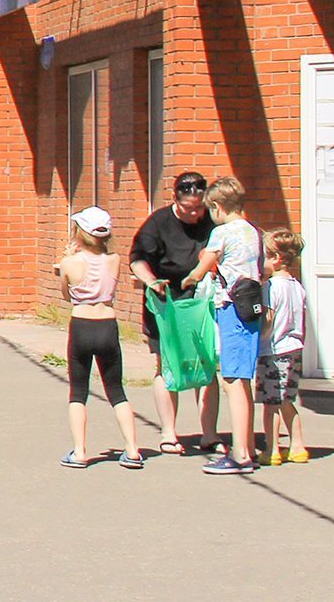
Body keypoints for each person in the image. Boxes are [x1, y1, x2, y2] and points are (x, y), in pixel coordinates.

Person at [127, 172, 217, 454]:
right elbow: (137, 259)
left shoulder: (211, 220)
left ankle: (210, 434)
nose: (195, 213)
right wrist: (151, 281)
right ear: (176, 200)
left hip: (200, 301)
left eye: (199, 207)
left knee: (206, 364)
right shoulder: (158, 223)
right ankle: (168, 433)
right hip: (165, 301)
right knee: (165, 364)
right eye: (189, 208)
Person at [54, 207, 143, 468]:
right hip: (107, 323)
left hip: (81, 324)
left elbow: (66, 295)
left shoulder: (70, 263)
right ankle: (133, 450)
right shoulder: (114, 260)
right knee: (116, 390)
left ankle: (80, 452)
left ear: (79, 233)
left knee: (78, 392)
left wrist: (68, 259)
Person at [193, 175, 264, 476]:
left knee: (231, 381)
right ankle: (248, 447)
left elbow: (200, 269)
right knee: (243, 381)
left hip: (231, 308)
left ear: (217, 207)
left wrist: (187, 279)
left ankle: (240, 455)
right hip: (252, 307)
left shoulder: (221, 233)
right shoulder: (253, 231)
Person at [257, 228, 311, 465]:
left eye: (264, 256)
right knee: (287, 401)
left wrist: (258, 339)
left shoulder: (270, 287)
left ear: (276, 258)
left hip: (273, 351)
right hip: (294, 349)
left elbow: (267, 320)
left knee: (270, 404)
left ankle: (272, 449)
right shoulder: (297, 286)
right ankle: (297, 446)